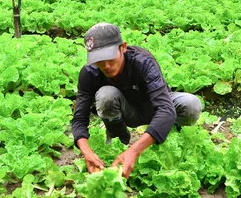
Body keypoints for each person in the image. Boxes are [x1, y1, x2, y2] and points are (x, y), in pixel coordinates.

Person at [71, 22, 202, 179]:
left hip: (154, 107)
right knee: (106, 95)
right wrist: (86, 151)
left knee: (191, 105)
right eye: (99, 60)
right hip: (127, 113)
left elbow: (165, 109)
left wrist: (135, 151)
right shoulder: (89, 73)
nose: (106, 66)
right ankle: (120, 141)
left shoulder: (142, 61)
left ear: (123, 47)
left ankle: (167, 131)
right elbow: (79, 118)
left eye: (110, 57)